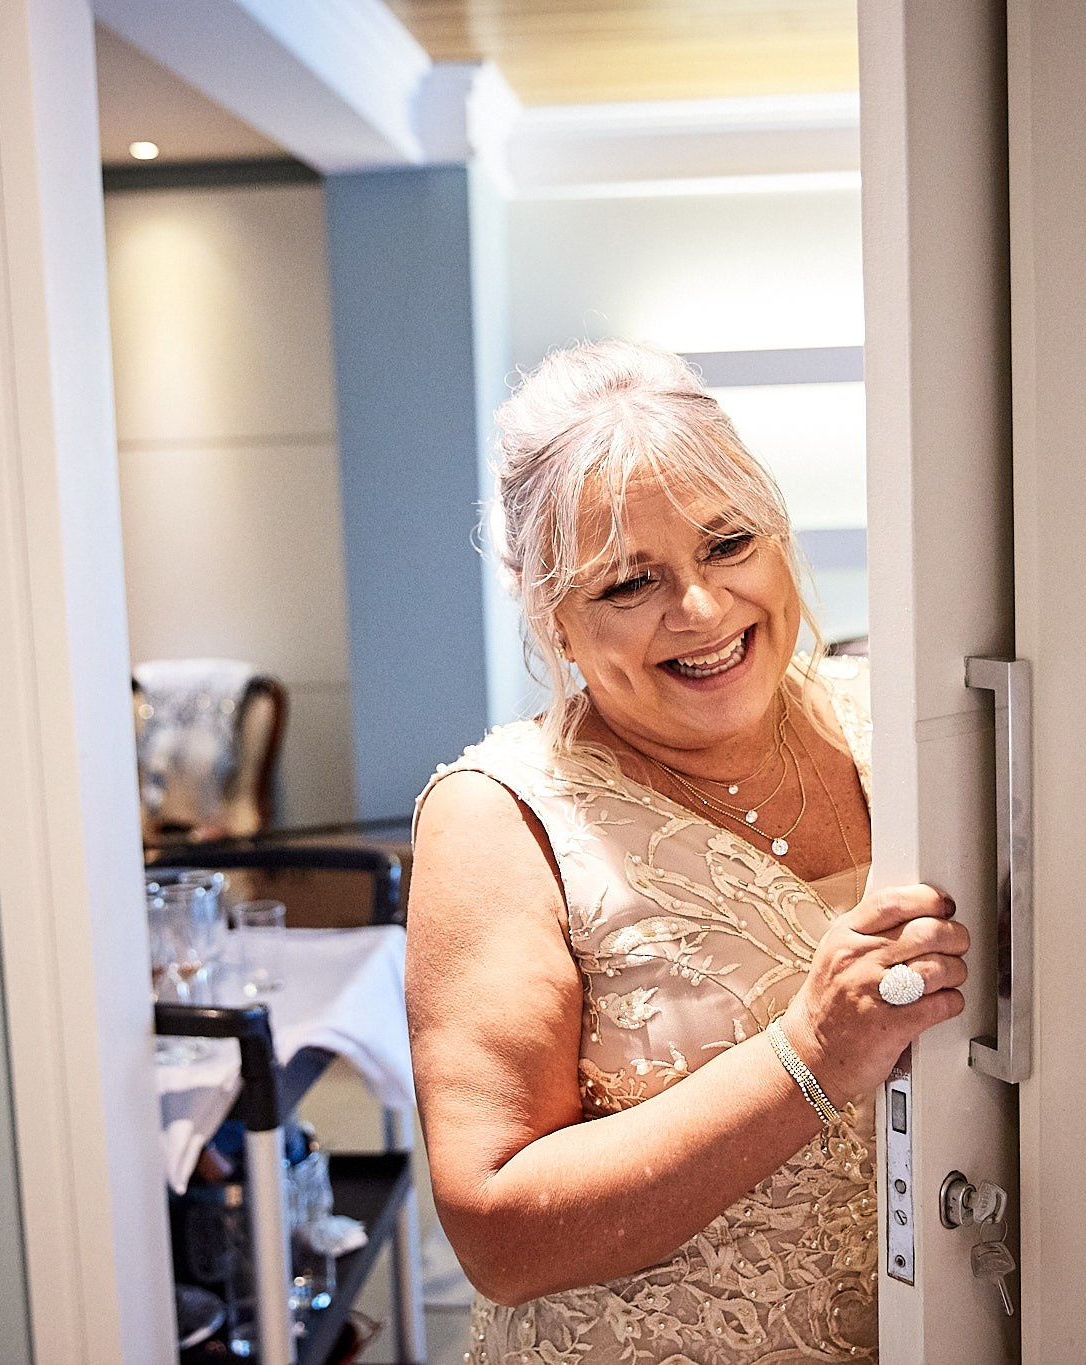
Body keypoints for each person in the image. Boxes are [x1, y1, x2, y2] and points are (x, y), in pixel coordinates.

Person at [408, 341, 970, 1364]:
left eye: (727, 543)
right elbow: (497, 1235)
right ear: (556, 623)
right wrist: (807, 1055)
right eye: (629, 582)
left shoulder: (911, 729)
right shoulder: (499, 817)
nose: (702, 610)